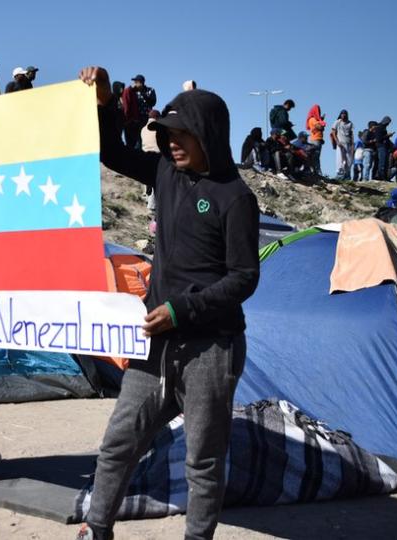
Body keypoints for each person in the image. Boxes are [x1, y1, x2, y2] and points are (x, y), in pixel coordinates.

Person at [78, 66, 259, 540]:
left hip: (210, 348)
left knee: (202, 458)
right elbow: (112, 151)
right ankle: (97, 528)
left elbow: (244, 278)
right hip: (154, 345)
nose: (172, 142)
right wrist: (103, 101)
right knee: (119, 441)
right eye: (167, 134)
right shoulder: (163, 171)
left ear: (209, 136)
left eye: (183, 134)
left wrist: (182, 309)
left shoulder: (236, 198)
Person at [121, 74, 157, 150]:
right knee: (137, 141)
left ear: (141, 82)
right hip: (136, 119)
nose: (135, 83)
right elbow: (126, 98)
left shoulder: (150, 90)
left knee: (146, 139)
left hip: (147, 118)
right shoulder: (133, 91)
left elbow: (152, 102)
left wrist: (143, 93)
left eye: (136, 82)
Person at [331, 109, 354, 180]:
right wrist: (337, 141)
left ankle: (347, 175)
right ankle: (339, 174)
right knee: (340, 159)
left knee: (349, 160)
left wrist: (352, 145)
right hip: (340, 143)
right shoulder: (337, 122)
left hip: (348, 144)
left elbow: (351, 134)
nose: (343, 115)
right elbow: (333, 132)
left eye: (345, 114)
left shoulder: (350, 123)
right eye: (342, 114)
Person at [306, 105, 326, 172]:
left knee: (314, 156)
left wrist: (320, 120)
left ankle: (313, 171)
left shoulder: (313, 119)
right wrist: (322, 122)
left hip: (315, 139)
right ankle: (317, 172)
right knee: (316, 156)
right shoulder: (313, 119)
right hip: (315, 140)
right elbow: (320, 127)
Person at [372, 116, 392, 180]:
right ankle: (380, 176)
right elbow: (379, 138)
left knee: (385, 162)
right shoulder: (379, 128)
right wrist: (387, 136)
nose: (388, 124)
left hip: (384, 146)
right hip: (380, 146)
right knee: (381, 162)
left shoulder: (383, 128)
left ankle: (384, 176)